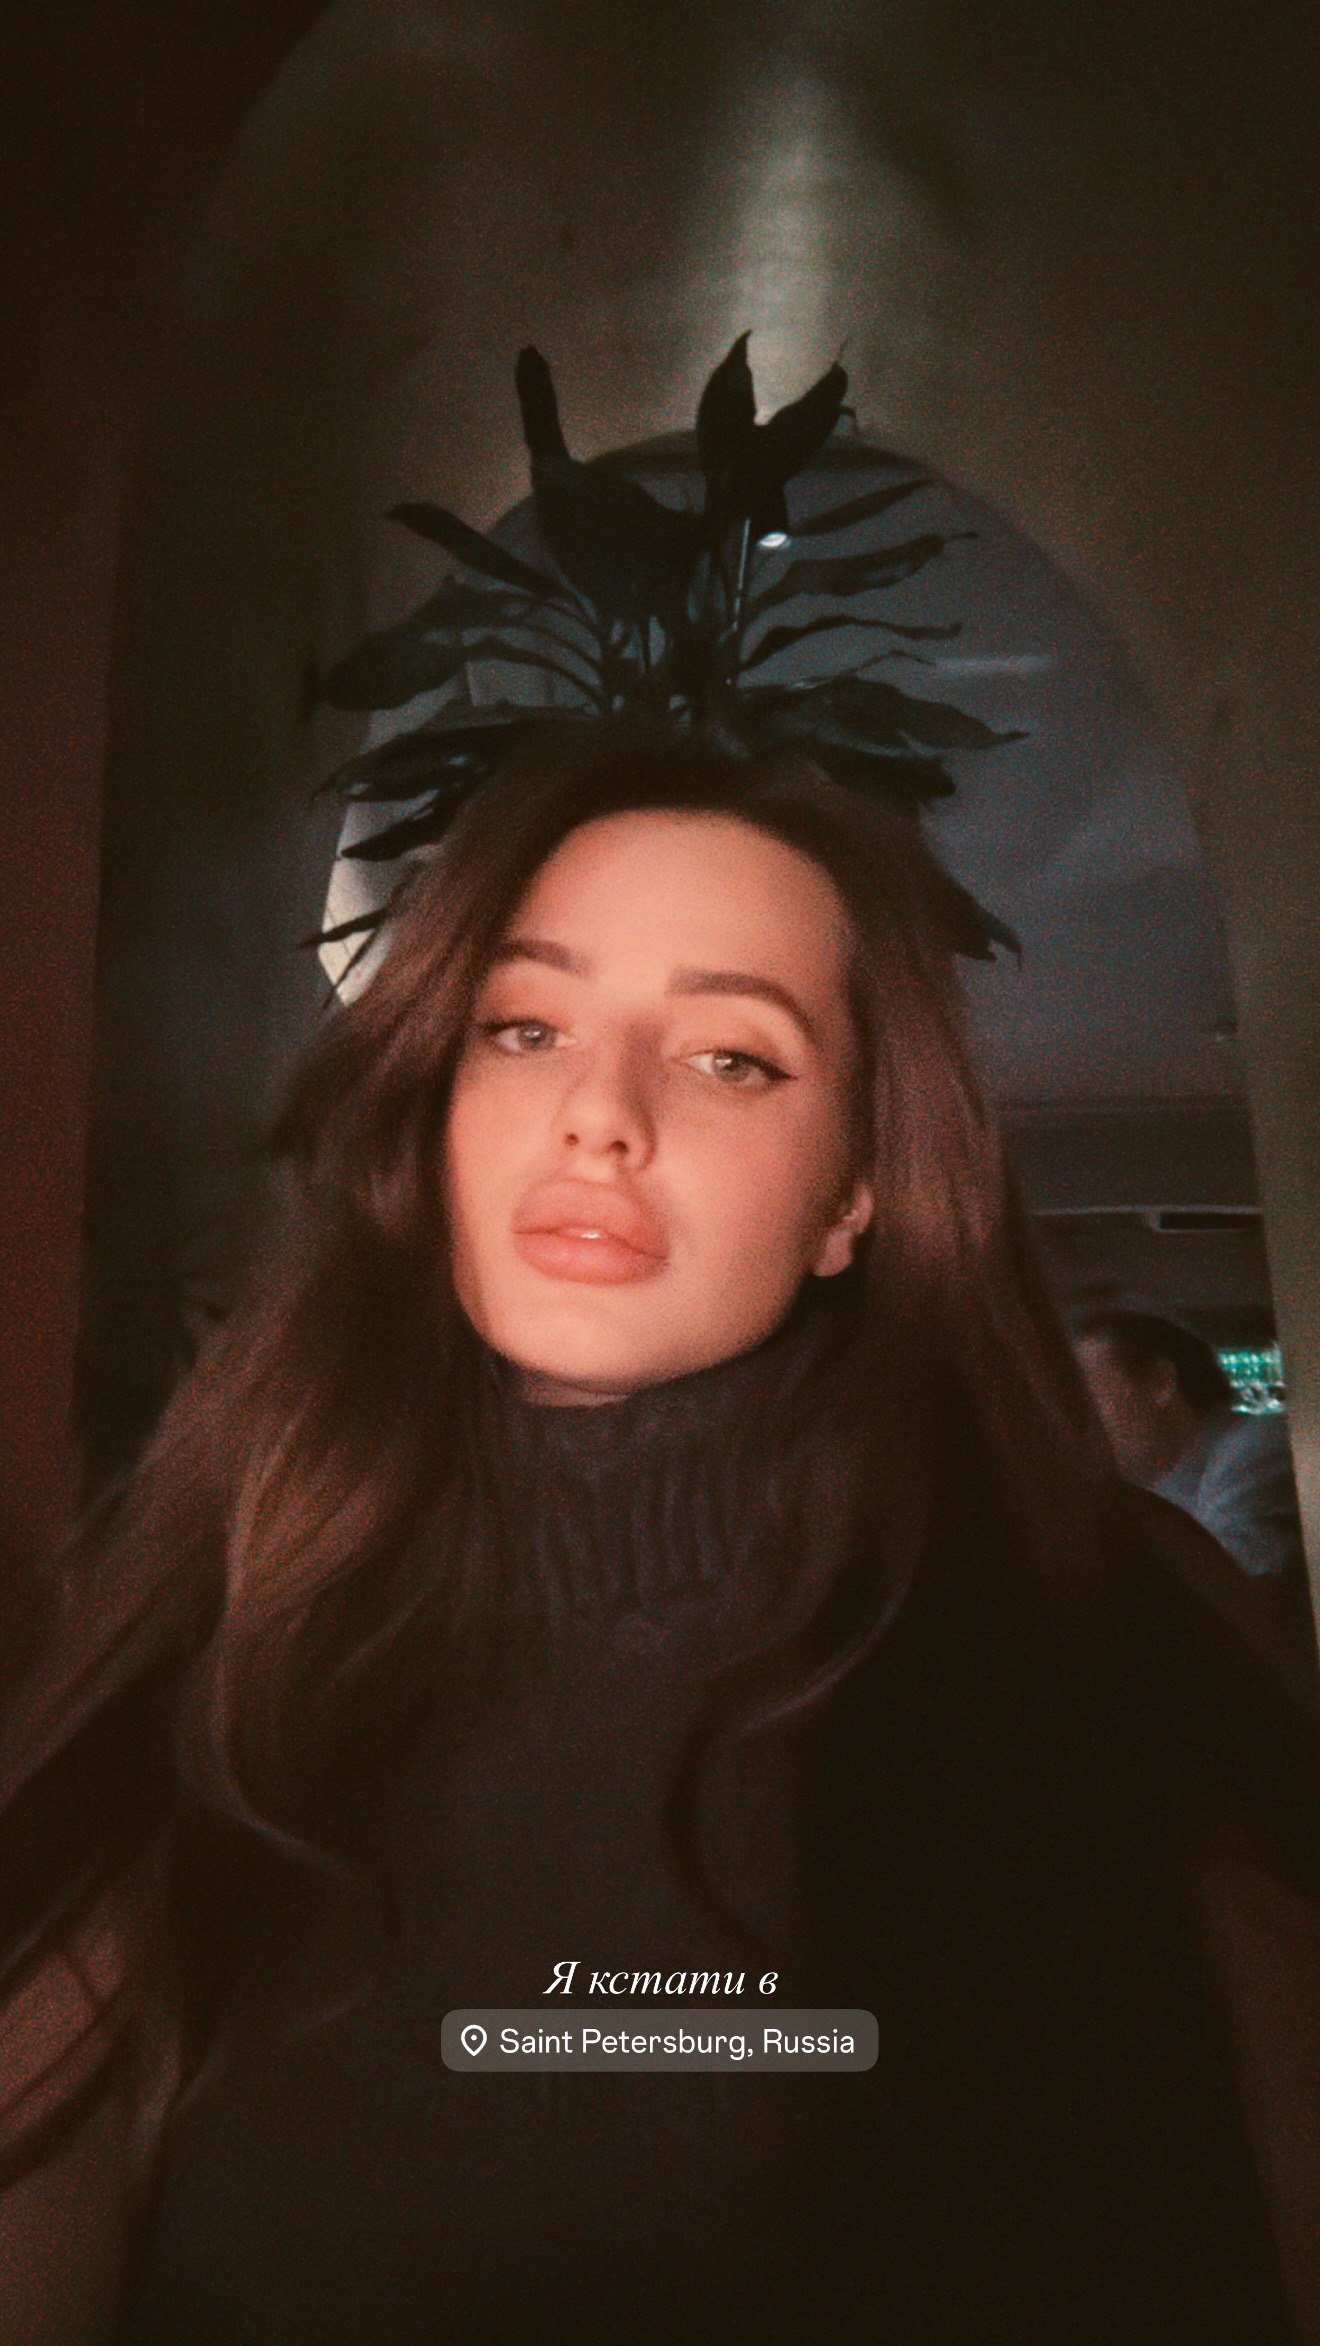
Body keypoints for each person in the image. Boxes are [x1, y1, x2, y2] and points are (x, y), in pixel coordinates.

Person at [1, 723, 1317, 2344]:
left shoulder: (1101, 1617)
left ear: (853, 1196)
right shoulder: (220, 1627)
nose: (600, 1114)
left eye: (730, 1057)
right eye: (526, 1027)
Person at [1073, 1305, 1306, 1578]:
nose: (1080, 1423)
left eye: (1089, 1398)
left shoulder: (1255, 1449)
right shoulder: (1159, 1489)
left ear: (1161, 1383)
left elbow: (1232, 1584)